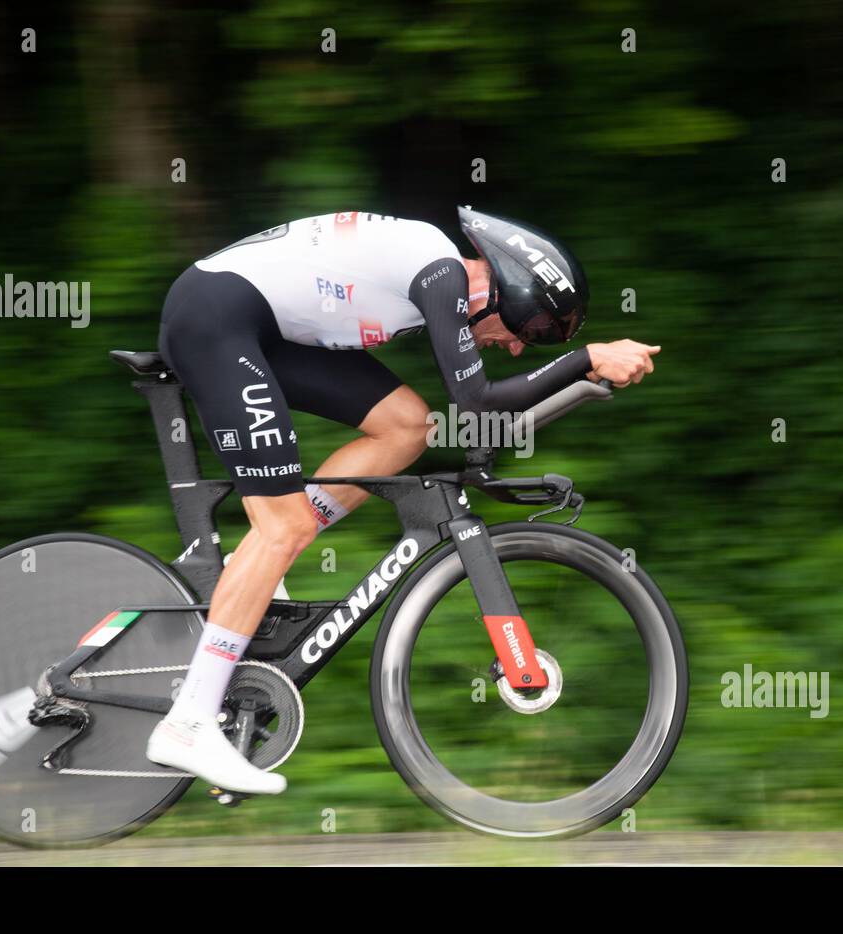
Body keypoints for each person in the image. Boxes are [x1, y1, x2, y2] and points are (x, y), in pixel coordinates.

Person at [145, 207, 659, 792]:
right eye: (531, 333)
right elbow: (478, 405)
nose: (519, 349)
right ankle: (188, 722)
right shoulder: (442, 276)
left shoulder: (431, 275)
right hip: (214, 319)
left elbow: (463, 417)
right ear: (504, 295)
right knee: (280, 528)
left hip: (258, 327)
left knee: (407, 426)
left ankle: (253, 568)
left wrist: (572, 382)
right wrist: (586, 359)